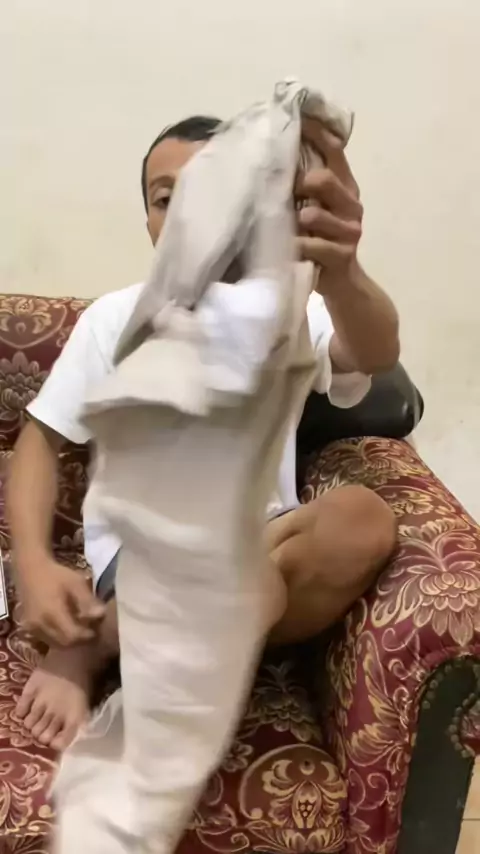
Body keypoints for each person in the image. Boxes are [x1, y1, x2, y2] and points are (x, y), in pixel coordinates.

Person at [7, 114, 399, 753]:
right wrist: (31, 563)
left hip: (267, 550)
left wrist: (343, 269)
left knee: (363, 519)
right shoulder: (114, 320)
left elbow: (375, 354)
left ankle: (103, 645)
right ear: (149, 222)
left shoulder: (294, 310)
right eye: (166, 199)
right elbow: (38, 443)